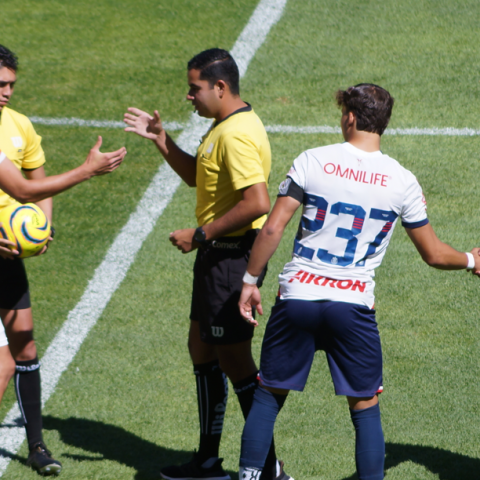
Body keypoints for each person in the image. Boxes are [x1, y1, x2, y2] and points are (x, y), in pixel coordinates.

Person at [236, 83, 480, 480]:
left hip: (298, 295)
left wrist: (250, 281)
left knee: (269, 395)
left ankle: (247, 478)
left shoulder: (313, 160)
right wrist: (471, 259)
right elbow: (434, 254)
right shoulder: (402, 180)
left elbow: (272, 229)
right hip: (353, 306)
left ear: (349, 117)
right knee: (364, 407)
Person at [124, 48, 288, 480]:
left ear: (220, 87)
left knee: (235, 361)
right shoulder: (225, 125)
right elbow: (201, 176)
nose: (188, 96)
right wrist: (162, 140)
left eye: (194, 88)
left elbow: (257, 202)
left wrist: (200, 235)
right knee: (201, 346)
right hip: (218, 259)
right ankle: (208, 461)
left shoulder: (235, 134)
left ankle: (269, 465)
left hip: (231, 260)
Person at [0, 43, 127, 476]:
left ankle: (36, 446)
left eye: (11, 85)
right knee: (2, 363)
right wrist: (86, 171)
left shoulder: (18, 126)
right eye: (0, 84)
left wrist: (41, 230)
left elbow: (36, 184)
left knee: (23, 348)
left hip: (7, 253)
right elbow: (21, 190)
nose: (6, 93)